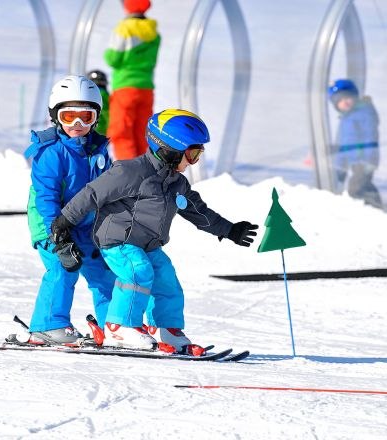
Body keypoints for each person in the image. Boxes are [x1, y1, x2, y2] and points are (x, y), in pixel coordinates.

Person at [50, 109, 259, 352]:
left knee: (166, 279)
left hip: (147, 244)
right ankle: (120, 327)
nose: (194, 161)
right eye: (192, 154)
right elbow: (91, 194)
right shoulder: (130, 171)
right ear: (169, 150)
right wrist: (64, 221)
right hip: (116, 241)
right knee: (138, 271)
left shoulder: (176, 183)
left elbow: (198, 212)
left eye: (198, 154)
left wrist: (230, 230)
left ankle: (165, 328)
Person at [24, 75, 117, 344]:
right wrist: (58, 234)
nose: (77, 125)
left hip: (86, 225)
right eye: (69, 117)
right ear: (56, 118)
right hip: (50, 222)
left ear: (96, 118)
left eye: (85, 117)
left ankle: (114, 326)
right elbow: (46, 198)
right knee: (62, 267)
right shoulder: (51, 154)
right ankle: (48, 325)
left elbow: (107, 191)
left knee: (103, 272)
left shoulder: (98, 151)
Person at [104, 0, 160, 160]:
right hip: (146, 88)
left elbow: (112, 58)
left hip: (125, 87)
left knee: (121, 133)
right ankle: (147, 171)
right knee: (142, 133)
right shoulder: (154, 32)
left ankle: (129, 173)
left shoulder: (125, 28)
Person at [328, 79, 382, 208]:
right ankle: (369, 206)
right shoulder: (346, 118)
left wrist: (369, 160)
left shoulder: (364, 113)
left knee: (357, 187)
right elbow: (342, 144)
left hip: (363, 160)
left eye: (348, 98)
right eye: (340, 100)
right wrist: (339, 166)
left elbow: (370, 137)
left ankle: (374, 208)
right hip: (352, 159)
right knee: (356, 185)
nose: (345, 102)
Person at [86, 70, 110, 136]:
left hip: (92, 127)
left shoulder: (89, 94)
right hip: (101, 128)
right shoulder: (103, 94)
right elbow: (107, 112)